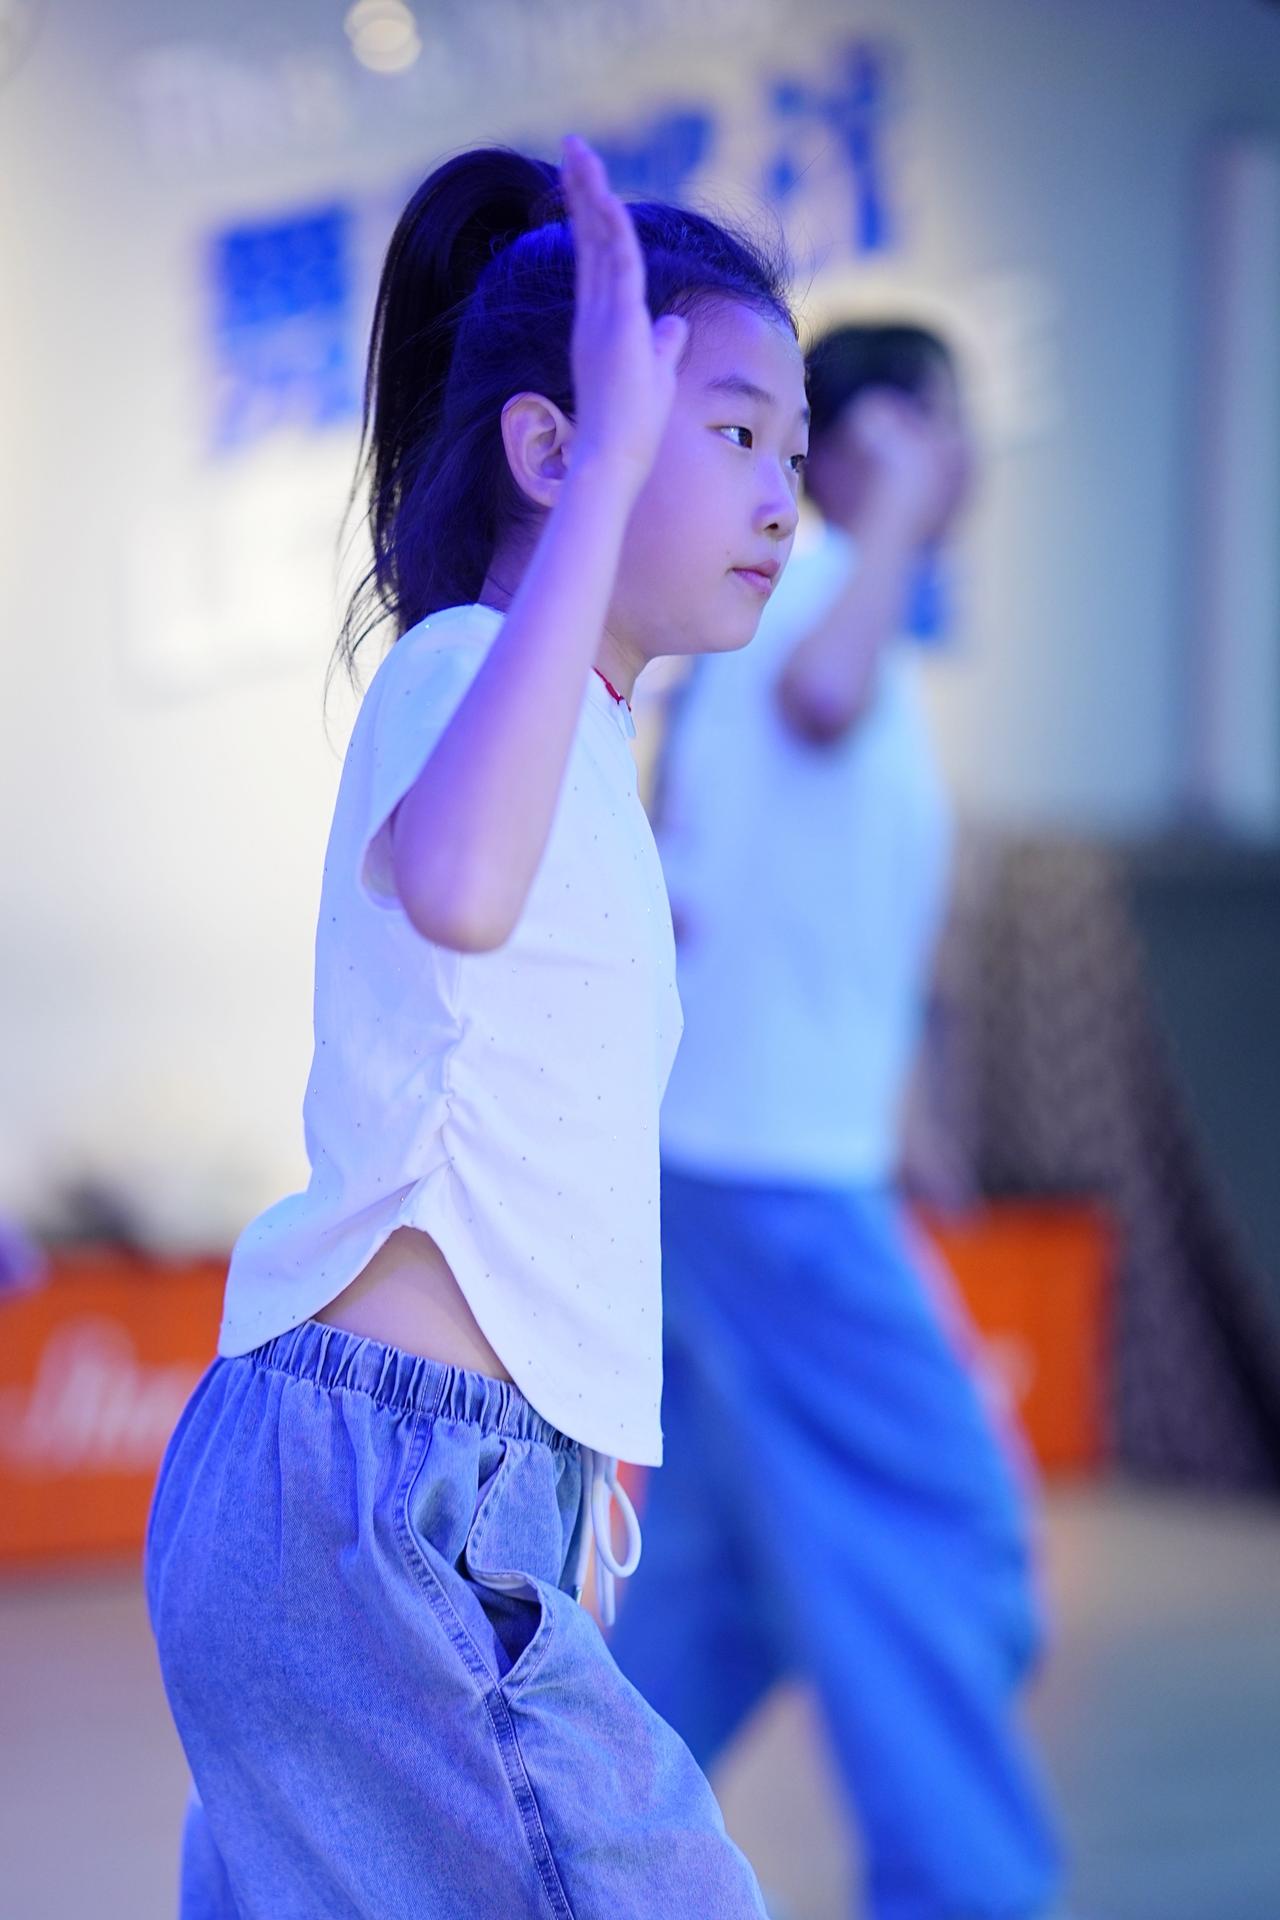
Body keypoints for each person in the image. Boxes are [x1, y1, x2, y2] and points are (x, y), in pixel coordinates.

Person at [144, 137, 810, 1918]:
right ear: (550, 448)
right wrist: (602, 498)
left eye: (794, 452)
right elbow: (456, 881)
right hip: (390, 1492)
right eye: (731, 433)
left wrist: (573, 1491)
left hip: (420, 1494)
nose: (781, 498)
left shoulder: (577, 741)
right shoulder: (459, 667)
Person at [608, 324, 1065, 1920]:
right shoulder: (814, 607)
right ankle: (965, 1891)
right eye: (951, 428)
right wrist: (887, 523)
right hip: (771, 1176)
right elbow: (819, 699)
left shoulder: (825, 615)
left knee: (721, 1584)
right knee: (945, 1538)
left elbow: (789, 904)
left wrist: (911, 1116)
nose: (973, 464)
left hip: (752, 1159)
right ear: (891, 437)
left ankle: (532, 1862)